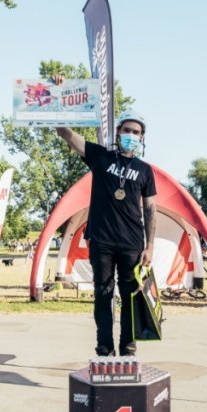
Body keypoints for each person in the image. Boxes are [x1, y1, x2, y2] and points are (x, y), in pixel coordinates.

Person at [54, 86, 156, 357]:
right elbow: (64, 133)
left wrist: (150, 246)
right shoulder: (100, 157)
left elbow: (150, 209)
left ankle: (128, 346)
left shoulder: (145, 171)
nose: (131, 135)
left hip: (132, 243)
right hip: (101, 241)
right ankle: (104, 346)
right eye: (127, 130)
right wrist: (59, 92)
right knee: (102, 293)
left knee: (130, 294)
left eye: (136, 132)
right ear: (118, 132)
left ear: (142, 137)